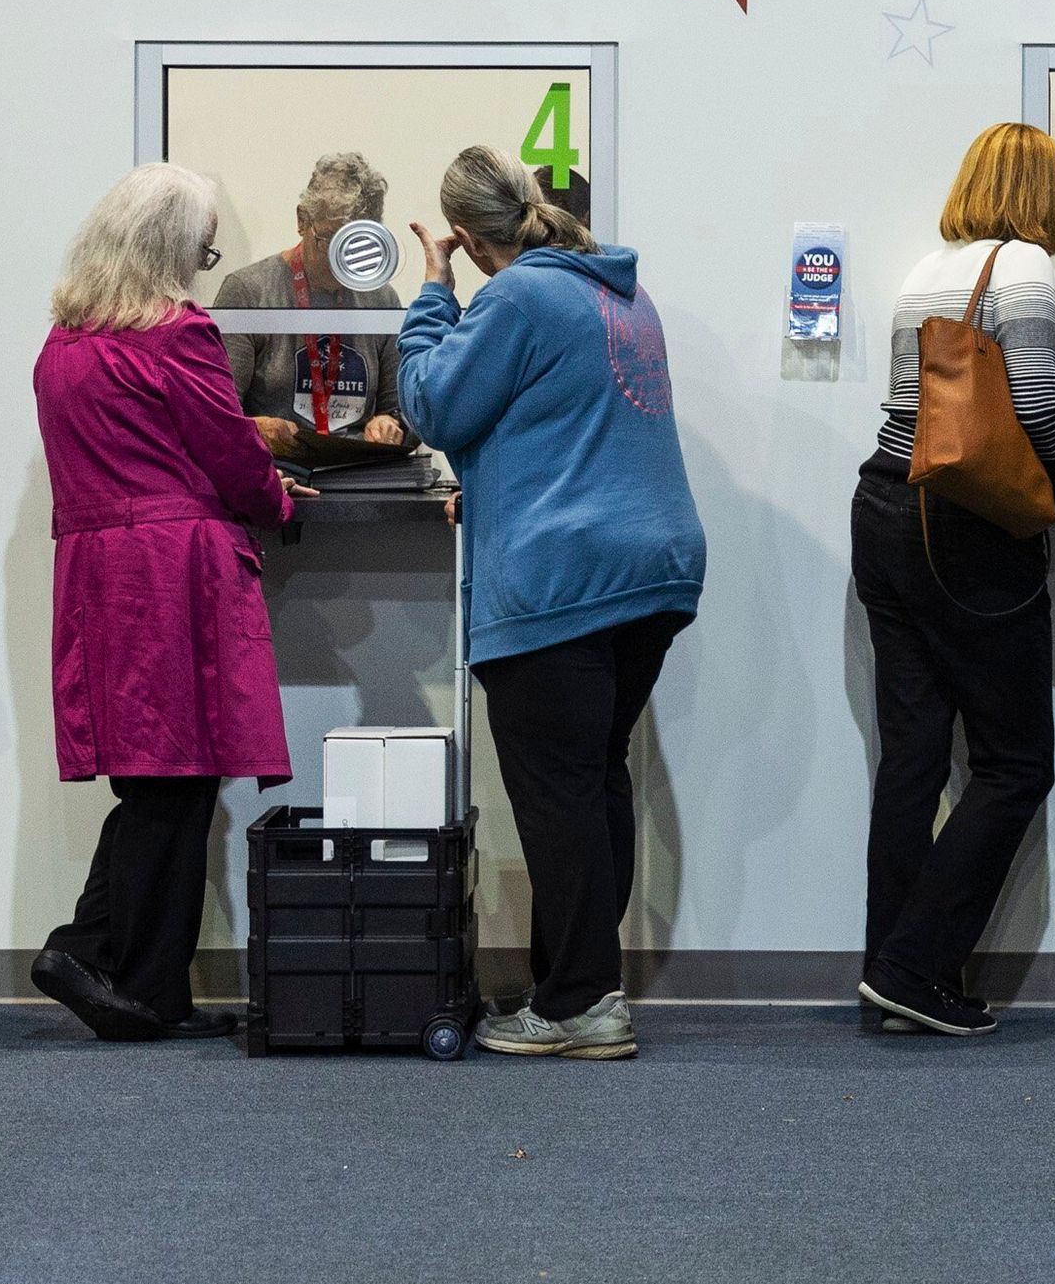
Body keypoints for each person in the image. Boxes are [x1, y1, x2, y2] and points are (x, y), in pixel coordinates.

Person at [397, 147, 705, 1059]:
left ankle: (578, 1003)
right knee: (595, 773)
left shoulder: (517, 294)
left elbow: (435, 405)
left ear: (468, 232)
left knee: (559, 789)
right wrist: (495, 483)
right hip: (652, 568)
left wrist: (430, 288)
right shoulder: (620, 293)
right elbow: (570, 421)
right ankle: (577, 985)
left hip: (562, 580)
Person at [29, 164, 298, 1040]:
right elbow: (228, 450)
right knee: (175, 780)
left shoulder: (62, 345)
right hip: (172, 570)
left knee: (155, 776)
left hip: (99, 573)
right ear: (174, 250)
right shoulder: (175, 335)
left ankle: (144, 982)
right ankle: (95, 951)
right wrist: (283, 501)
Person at [851, 123, 1055, 1037]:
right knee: (1014, 763)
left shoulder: (930, 268)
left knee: (913, 760)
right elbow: (1037, 401)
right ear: (1041, 194)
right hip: (966, 529)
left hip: (885, 507)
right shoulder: (1027, 267)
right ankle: (916, 966)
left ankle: (890, 971)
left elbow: (1030, 382)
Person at [215, 150, 410, 458]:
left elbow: (400, 410)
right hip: (277, 473)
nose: (341, 262)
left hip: (356, 474)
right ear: (302, 220)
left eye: (356, 245)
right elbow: (215, 416)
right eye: (331, 243)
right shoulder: (249, 291)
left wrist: (390, 423)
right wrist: (254, 428)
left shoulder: (381, 298)